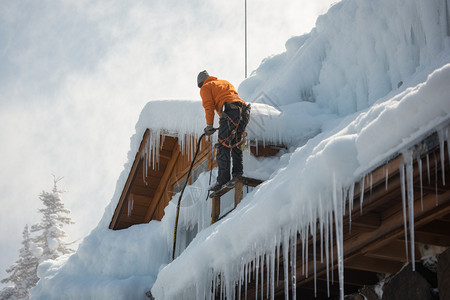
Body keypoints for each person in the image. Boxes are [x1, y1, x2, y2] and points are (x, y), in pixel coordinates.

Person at [197, 70, 250, 192]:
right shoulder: (225, 82)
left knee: (223, 145)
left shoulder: (205, 87)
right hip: (244, 111)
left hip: (230, 112)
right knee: (236, 142)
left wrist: (209, 125)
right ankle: (237, 173)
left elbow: (208, 106)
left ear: (201, 83)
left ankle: (223, 179)